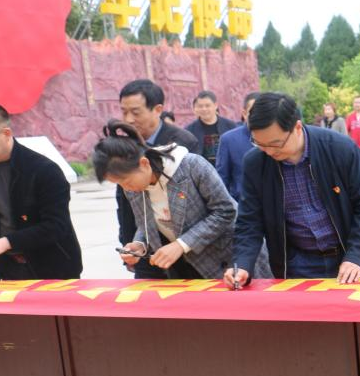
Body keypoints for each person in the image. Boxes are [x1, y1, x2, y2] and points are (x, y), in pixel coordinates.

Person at [223, 93, 360, 286]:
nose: (269, 151)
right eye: (260, 144)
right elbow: (250, 221)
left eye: (275, 144)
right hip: (296, 264)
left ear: (297, 128)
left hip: (348, 259)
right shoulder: (256, 163)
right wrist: (242, 264)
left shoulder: (339, 148)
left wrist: (357, 255)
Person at [0, 103, 83, 280]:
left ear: (6, 134)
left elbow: (56, 226)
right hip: (8, 269)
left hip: (54, 269)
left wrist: (6, 242)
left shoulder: (44, 170)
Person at [93, 132, 247, 280]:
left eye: (127, 181)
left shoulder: (191, 166)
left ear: (144, 164)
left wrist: (181, 244)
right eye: (119, 184)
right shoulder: (133, 188)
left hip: (227, 261)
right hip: (182, 269)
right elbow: (148, 220)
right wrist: (140, 244)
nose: (126, 188)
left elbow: (226, 211)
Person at [117, 79, 201, 277]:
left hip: (183, 249)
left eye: (135, 112)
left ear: (157, 110)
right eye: (124, 112)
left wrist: (181, 244)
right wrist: (129, 242)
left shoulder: (182, 143)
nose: (128, 119)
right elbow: (125, 203)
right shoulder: (124, 146)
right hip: (144, 248)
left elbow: (196, 203)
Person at [215, 92, 260, 202]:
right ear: (244, 113)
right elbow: (222, 178)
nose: (259, 116)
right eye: (254, 112)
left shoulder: (277, 136)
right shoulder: (229, 140)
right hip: (241, 204)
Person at [185, 90, 238, 163]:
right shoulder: (189, 130)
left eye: (207, 105)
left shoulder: (230, 126)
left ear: (215, 105)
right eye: (200, 106)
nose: (204, 109)